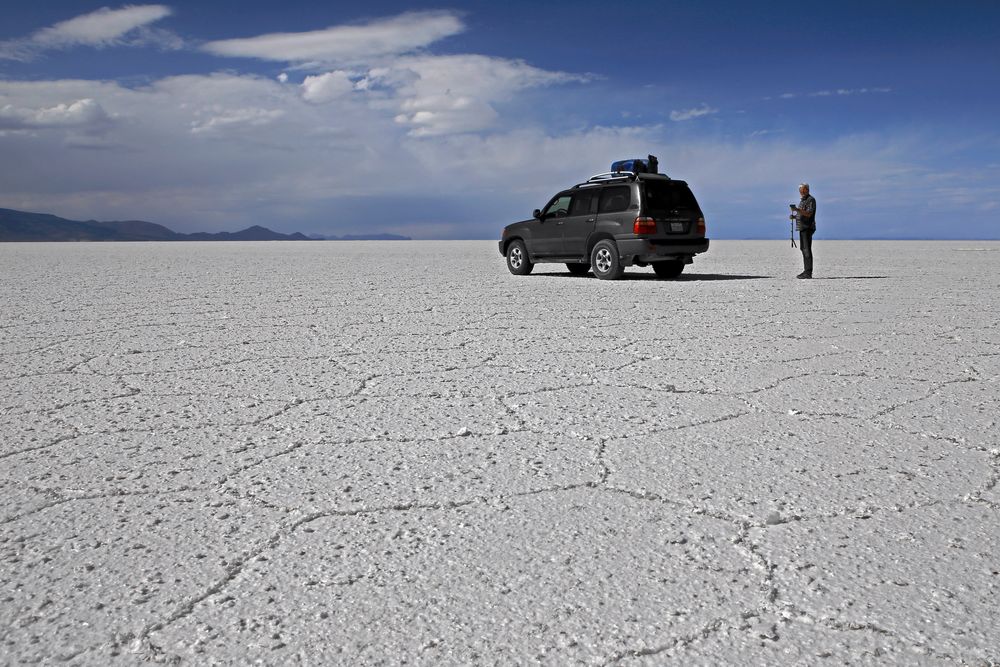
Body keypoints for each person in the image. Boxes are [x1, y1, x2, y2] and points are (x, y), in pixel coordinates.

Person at [790, 183, 816, 278]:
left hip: (807, 227)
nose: (802, 192)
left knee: (806, 249)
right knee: (803, 248)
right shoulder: (803, 200)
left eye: (803, 190)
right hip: (802, 227)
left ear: (808, 190)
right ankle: (806, 271)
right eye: (800, 190)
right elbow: (802, 213)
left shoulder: (810, 200)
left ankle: (808, 272)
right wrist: (794, 216)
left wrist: (797, 210)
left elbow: (809, 214)